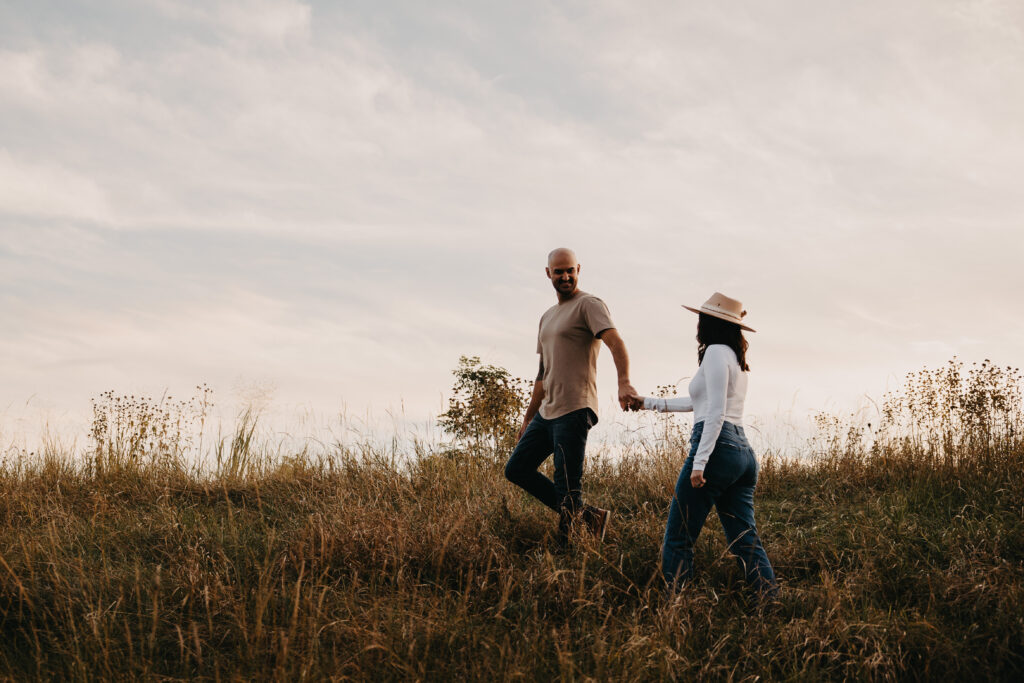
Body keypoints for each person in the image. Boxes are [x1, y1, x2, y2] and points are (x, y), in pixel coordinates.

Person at [628, 292, 778, 598]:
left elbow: (715, 412)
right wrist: (648, 403)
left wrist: (700, 463)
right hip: (742, 454)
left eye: (701, 318)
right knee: (744, 537)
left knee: (678, 535)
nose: (697, 324)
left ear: (709, 322)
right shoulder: (735, 360)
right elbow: (700, 403)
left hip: (718, 449)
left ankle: (677, 607)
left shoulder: (714, 352)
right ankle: (768, 600)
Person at [504, 248, 637, 545]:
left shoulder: (589, 305)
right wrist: (528, 417)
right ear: (548, 273)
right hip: (546, 412)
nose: (565, 276)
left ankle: (566, 551)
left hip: (576, 407)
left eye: (570, 271)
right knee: (516, 469)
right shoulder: (547, 317)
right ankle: (589, 517)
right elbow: (542, 372)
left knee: (567, 487)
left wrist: (624, 382)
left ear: (578, 269)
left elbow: (615, 343)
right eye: (559, 271)